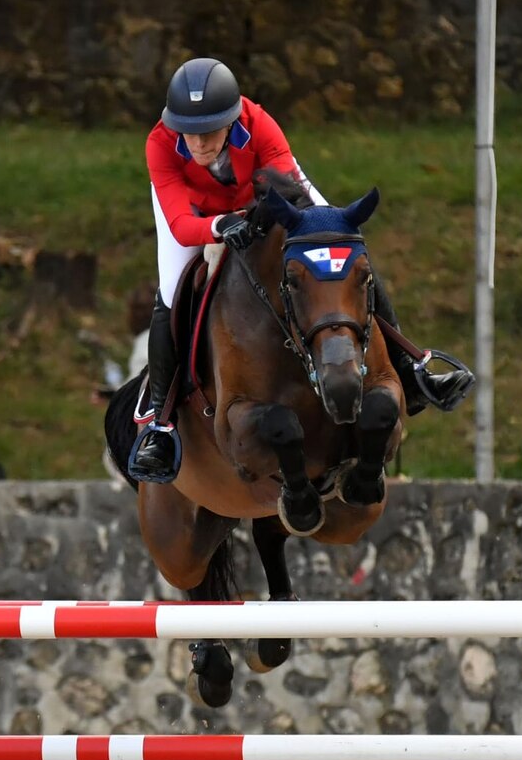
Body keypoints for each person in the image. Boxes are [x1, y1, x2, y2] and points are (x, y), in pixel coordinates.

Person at [130, 56, 475, 483]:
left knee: (344, 248)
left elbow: (286, 191)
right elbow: (182, 226)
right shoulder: (160, 144)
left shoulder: (259, 124)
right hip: (197, 215)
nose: (198, 144)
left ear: (232, 121)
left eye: (210, 132)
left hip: (264, 199)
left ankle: (412, 367)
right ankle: (161, 424)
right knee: (170, 290)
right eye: (189, 132)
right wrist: (221, 226)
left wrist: (259, 216)